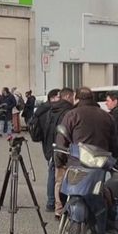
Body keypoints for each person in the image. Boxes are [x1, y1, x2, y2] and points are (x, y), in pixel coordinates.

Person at [56, 87, 117, 218]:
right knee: (100, 197)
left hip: (77, 164)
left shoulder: (72, 115)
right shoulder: (107, 116)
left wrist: (60, 160)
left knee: (69, 193)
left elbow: (62, 140)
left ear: (76, 98)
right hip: (100, 165)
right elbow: (114, 144)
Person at [42, 88, 75, 217]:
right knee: (62, 177)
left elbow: (47, 129)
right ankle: (61, 206)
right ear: (67, 97)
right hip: (63, 147)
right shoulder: (69, 111)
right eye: (72, 97)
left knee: (54, 176)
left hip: (52, 146)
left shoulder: (51, 110)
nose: (74, 100)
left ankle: (52, 203)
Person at [29, 89, 62, 212]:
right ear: (52, 98)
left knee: (51, 172)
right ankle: (52, 201)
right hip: (53, 144)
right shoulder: (51, 111)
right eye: (58, 97)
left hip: (46, 145)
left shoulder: (41, 110)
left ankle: (51, 201)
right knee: (54, 173)